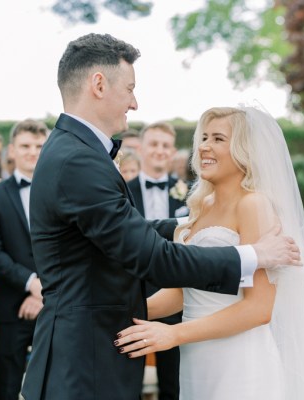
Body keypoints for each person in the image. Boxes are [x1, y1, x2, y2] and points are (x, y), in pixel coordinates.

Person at [21, 33, 301, 400]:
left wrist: (192, 228)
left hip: (224, 364)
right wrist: (255, 254)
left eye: (218, 139)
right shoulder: (78, 159)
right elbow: (149, 256)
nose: (134, 102)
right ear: (99, 84)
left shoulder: (71, 150)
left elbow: (120, 234)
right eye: (130, 88)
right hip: (84, 362)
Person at [116, 106, 304, 399]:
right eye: (203, 137)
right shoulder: (201, 206)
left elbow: (259, 309)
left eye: (218, 138)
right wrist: (123, 310)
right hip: (198, 358)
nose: (204, 146)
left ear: (244, 151)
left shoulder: (254, 205)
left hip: (239, 360)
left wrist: (174, 334)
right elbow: (183, 292)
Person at [0, 119, 48, 400]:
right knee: (7, 386)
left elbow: (72, 247)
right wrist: (31, 283)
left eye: (39, 146)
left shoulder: (63, 190)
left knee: (55, 384)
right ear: (12, 150)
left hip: (56, 305)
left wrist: (45, 293)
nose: (33, 151)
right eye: (25, 146)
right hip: (10, 307)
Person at [127, 121, 186, 400]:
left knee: (173, 383)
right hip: (132, 291)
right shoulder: (121, 190)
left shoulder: (190, 193)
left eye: (165, 145)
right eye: (154, 144)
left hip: (178, 293)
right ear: (141, 148)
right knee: (126, 380)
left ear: (173, 151)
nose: (160, 151)